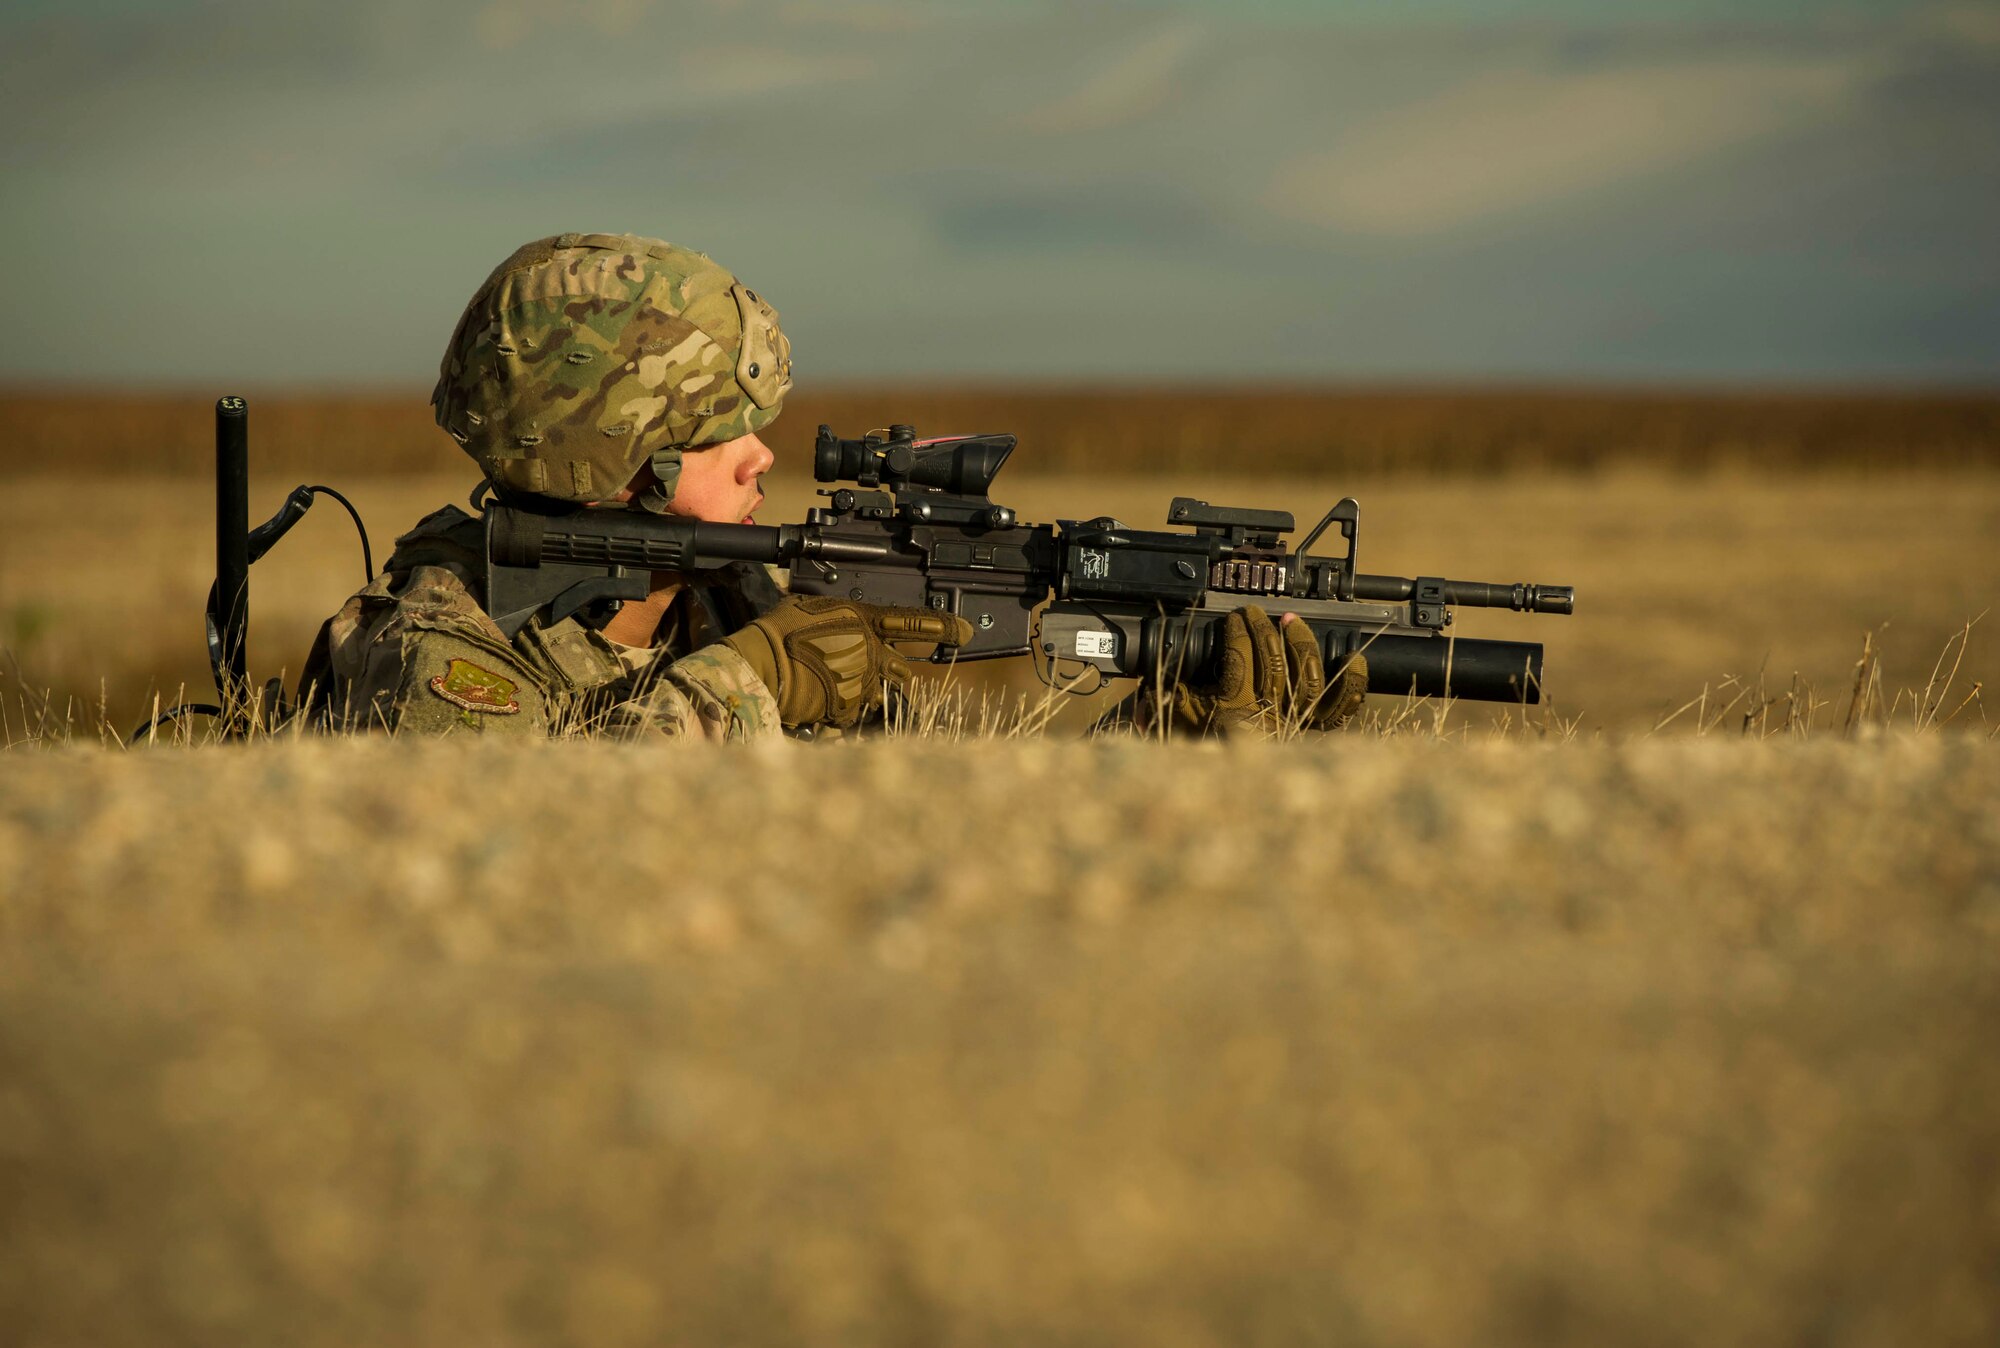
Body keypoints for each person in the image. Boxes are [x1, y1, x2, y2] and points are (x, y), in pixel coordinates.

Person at [300, 231, 970, 741]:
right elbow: (521, 844)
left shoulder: (729, 598)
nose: (759, 457)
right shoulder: (443, 642)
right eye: (715, 433)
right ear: (608, 453)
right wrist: (749, 679)